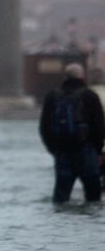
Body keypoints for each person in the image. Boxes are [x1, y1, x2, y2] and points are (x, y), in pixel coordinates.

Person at [39, 63, 104, 203]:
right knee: (93, 198)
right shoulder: (90, 96)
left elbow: (44, 127)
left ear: (65, 76)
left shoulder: (52, 96)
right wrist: (98, 151)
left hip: (62, 152)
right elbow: (99, 127)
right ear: (83, 76)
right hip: (87, 151)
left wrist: (54, 149)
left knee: (61, 198)